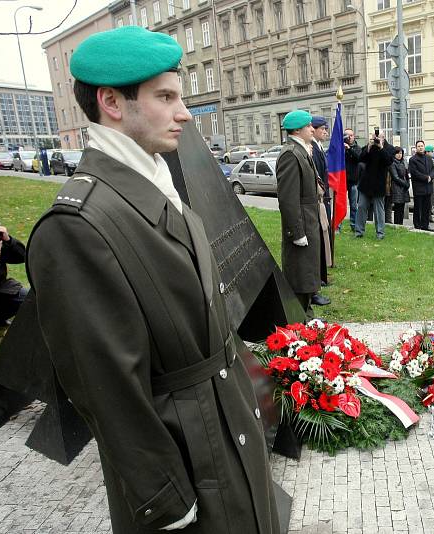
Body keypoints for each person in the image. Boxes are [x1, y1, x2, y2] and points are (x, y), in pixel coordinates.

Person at [25, 26, 280, 533]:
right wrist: (162, 496)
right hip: (186, 458)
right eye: (166, 97)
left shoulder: (155, 181)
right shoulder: (78, 225)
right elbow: (105, 388)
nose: (184, 113)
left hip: (224, 427)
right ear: (112, 103)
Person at [278, 110, 325, 315]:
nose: (312, 129)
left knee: (307, 271)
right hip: (302, 225)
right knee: (300, 273)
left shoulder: (301, 149)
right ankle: (300, 319)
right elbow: (288, 199)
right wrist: (296, 232)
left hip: (309, 221)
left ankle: (306, 314)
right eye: (308, 126)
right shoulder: (290, 153)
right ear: (297, 129)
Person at [309, 116, 332, 305]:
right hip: (317, 200)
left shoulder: (317, 147)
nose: (325, 132)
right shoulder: (312, 149)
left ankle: (322, 276)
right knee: (319, 238)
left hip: (322, 197)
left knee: (324, 238)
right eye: (322, 129)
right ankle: (318, 280)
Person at [355, 132, 394, 239]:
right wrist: (369, 146)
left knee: (379, 209)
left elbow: (388, 161)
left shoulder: (389, 148)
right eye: (376, 137)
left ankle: (380, 233)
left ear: (384, 138)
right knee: (362, 206)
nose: (377, 139)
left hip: (379, 184)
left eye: (380, 137)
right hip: (366, 183)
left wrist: (381, 147)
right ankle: (359, 231)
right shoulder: (369, 147)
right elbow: (361, 158)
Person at [408, 140, 434, 231]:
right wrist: (426, 178)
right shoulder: (413, 159)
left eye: (422, 146)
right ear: (416, 148)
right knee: (418, 207)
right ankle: (417, 225)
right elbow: (415, 173)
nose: (420, 147)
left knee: (426, 208)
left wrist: (431, 176)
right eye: (418, 146)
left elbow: (433, 169)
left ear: (424, 147)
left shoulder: (428, 158)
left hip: (428, 187)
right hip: (419, 187)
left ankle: (425, 225)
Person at [344, 128, 361, 232]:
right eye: (347, 136)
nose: (349, 137)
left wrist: (349, 149)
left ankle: (353, 225)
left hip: (354, 180)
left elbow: (358, 158)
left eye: (351, 135)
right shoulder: (340, 147)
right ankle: (338, 225)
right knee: (340, 203)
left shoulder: (357, 148)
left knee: (354, 205)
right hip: (342, 180)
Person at [387, 147, 410, 225]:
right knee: (398, 208)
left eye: (401, 153)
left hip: (403, 188)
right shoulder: (393, 164)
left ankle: (401, 224)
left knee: (402, 208)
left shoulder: (403, 162)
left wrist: (408, 183)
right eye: (398, 153)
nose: (399, 155)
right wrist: (405, 184)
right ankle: (397, 225)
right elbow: (395, 177)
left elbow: (406, 175)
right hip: (397, 188)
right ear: (394, 154)